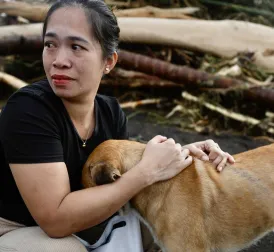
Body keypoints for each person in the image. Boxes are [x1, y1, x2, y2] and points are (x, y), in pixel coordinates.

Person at [0, 0, 235, 251]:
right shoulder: (28, 110)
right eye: (50, 45)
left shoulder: (109, 111)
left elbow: (124, 177)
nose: (59, 60)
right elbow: (55, 220)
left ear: (109, 61)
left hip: (81, 223)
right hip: (16, 228)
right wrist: (147, 172)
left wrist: (182, 156)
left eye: (76, 47)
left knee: (176, 218)